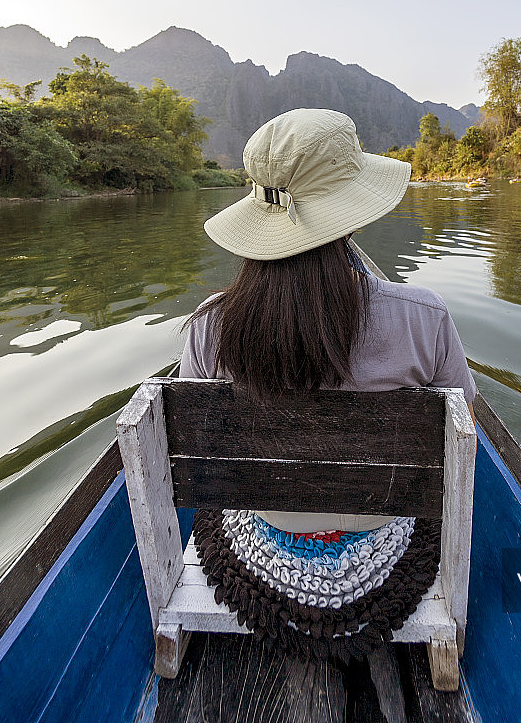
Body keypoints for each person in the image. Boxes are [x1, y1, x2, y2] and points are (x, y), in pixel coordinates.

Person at [180, 108, 476, 658]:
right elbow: (461, 432)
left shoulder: (206, 327)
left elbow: (201, 451)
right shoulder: (423, 317)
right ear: (352, 214)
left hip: (261, 542)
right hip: (378, 545)